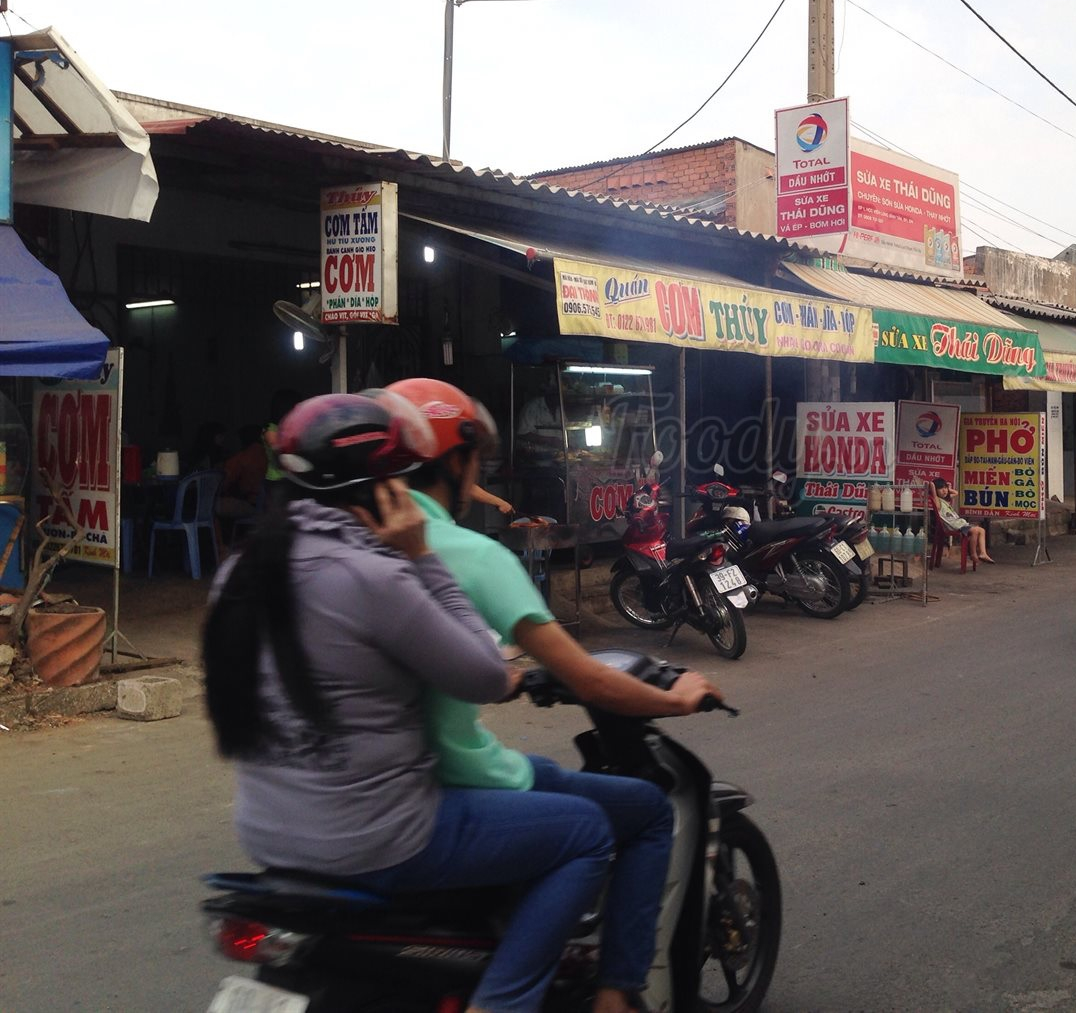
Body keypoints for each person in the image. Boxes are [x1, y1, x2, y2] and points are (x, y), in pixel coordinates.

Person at [201, 392, 618, 1013]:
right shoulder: (374, 574)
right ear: (383, 487)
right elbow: (483, 675)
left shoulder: (237, 571)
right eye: (398, 477)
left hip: (267, 836)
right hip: (378, 838)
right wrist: (422, 555)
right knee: (587, 831)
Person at [386, 377, 722, 1013]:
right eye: (475, 460)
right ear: (454, 463)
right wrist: (677, 698)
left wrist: (508, 678)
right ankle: (616, 995)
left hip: (343, 805)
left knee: (543, 774)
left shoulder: (328, 548)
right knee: (642, 814)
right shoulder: (472, 555)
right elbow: (586, 677)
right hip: (446, 790)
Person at [930, 476, 995, 564]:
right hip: (955, 526)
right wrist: (932, 485)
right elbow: (933, 491)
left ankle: (983, 553)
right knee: (976, 530)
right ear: (935, 490)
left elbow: (956, 493)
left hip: (960, 524)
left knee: (981, 530)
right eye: (941, 488)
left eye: (945, 488)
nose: (944, 490)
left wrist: (948, 488)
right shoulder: (937, 501)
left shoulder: (945, 500)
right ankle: (973, 554)